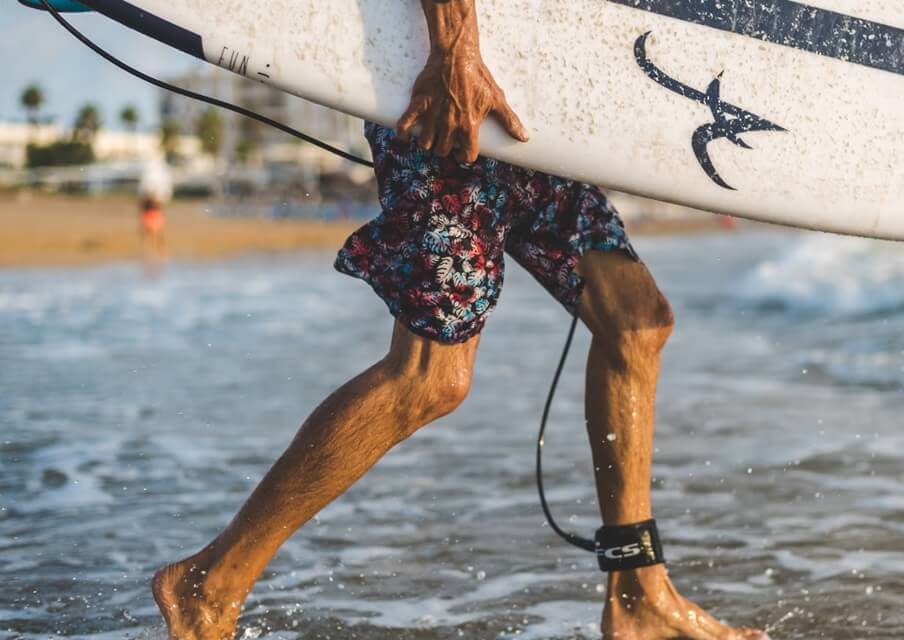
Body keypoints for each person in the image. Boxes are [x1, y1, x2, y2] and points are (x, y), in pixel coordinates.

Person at [151, 2, 768, 639]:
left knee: (636, 323)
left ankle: (638, 592)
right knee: (429, 376)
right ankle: (208, 584)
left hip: (534, 111)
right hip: (453, 99)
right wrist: (453, 47)